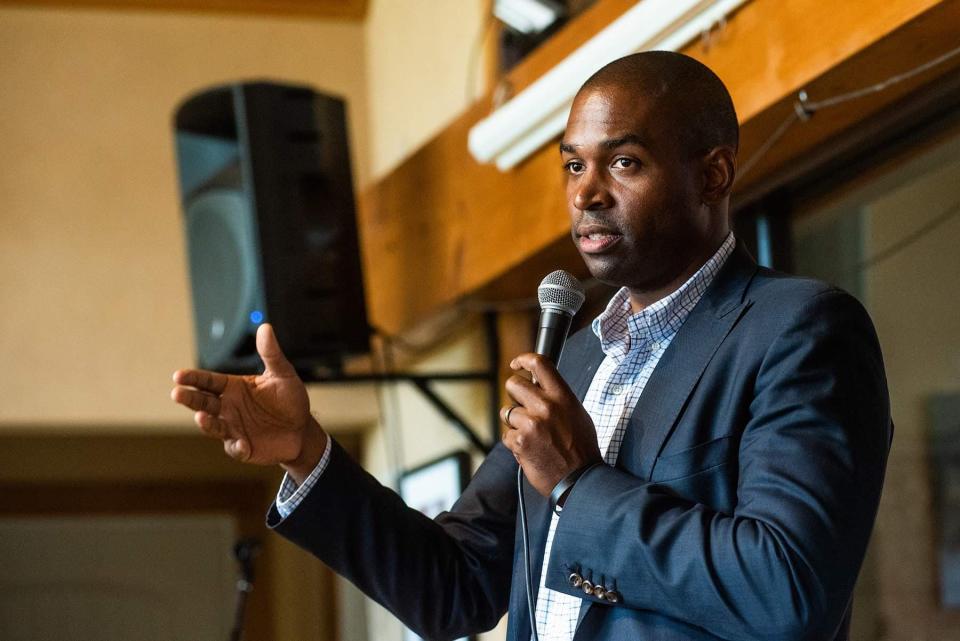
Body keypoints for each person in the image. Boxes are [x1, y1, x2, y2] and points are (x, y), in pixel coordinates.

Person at [171, 51, 891, 640]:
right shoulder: (577, 358)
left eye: (625, 163)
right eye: (573, 166)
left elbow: (789, 589)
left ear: (714, 173)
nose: (586, 194)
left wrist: (579, 486)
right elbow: (453, 587)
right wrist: (305, 450)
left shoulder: (799, 331)